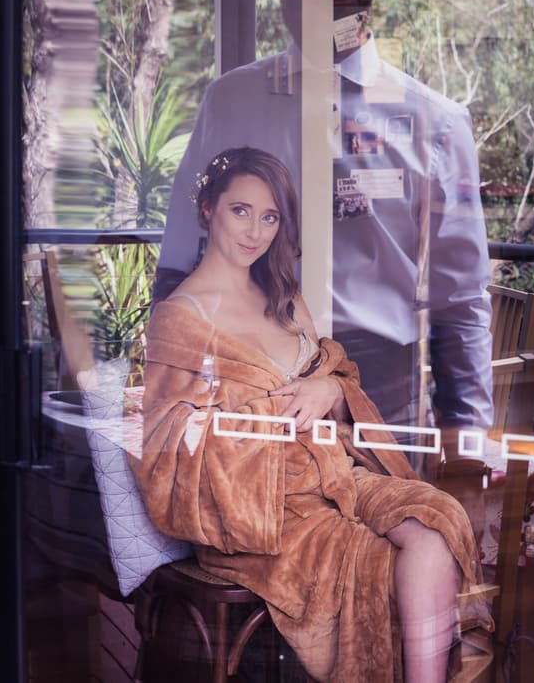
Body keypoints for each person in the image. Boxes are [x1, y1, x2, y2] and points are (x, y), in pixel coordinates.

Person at [155, 0, 493, 471]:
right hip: (248, 389)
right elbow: (180, 261)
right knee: (249, 557)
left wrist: (467, 438)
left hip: (383, 394)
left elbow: (459, 302)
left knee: (389, 553)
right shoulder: (231, 101)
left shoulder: (434, 125)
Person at [134, 147, 491, 683]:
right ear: (208, 208)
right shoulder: (180, 318)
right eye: (241, 210)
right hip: (262, 517)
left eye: (270, 216)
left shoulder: (283, 298)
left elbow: (336, 375)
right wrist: (268, 413)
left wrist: (328, 386)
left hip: (336, 476)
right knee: (376, 564)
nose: (255, 230)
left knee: (436, 520)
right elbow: (166, 445)